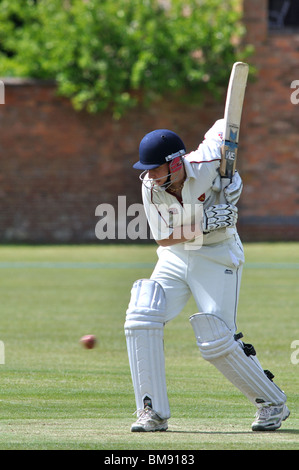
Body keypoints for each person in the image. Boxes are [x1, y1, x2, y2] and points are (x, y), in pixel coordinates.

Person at [124, 120, 289, 432]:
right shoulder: (150, 186)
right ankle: (152, 412)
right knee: (141, 314)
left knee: (216, 337)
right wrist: (206, 219)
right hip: (175, 255)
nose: (151, 175)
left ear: (176, 163)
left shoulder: (207, 161)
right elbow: (164, 237)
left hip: (217, 254)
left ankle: (272, 402)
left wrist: (234, 179)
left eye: (157, 168)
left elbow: (226, 123)